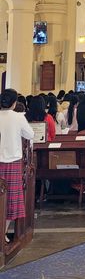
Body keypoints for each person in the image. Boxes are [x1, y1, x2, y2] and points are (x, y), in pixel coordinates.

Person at [0, 88, 34, 242]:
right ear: (14, 103)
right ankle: (2, 234)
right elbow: (30, 135)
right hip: (13, 161)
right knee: (11, 200)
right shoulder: (18, 117)